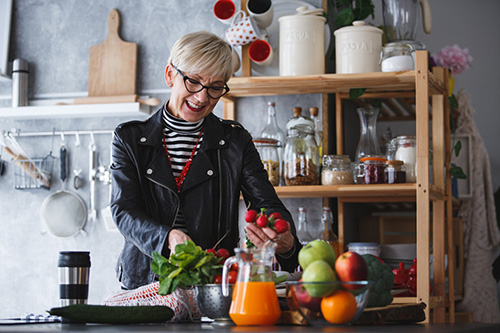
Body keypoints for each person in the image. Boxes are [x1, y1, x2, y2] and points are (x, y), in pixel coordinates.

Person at [110, 31, 301, 290]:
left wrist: (284, 240)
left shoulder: (236, 141)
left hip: (214, 282)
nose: (202, 97)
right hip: (144, 282)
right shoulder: (129, 138)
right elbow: (124, 210)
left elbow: (266, 203)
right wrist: (167, 238)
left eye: (215, 87)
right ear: (170, 75)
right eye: (193, 81)